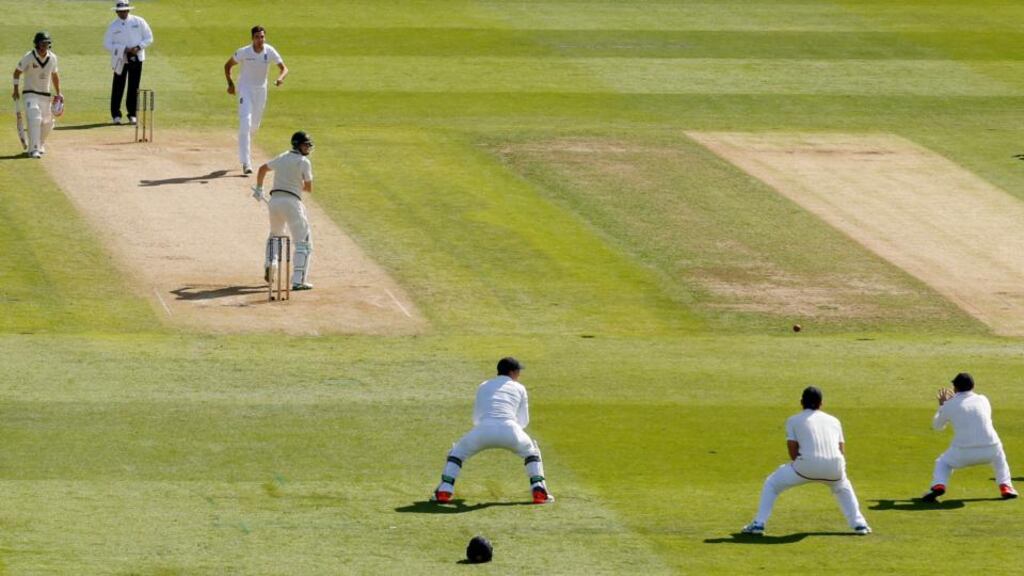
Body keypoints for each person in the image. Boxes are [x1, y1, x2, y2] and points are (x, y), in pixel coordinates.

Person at [741, 386, 870, 535]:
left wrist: (802, 467)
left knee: (772, 483)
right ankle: (859, 524)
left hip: (805, 466)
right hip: (836, 466)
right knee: (843, 486)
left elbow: (792, 449)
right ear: (821, 403)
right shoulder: (834, 421)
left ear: (801, 402)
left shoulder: (793, 420)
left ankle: (758, 524)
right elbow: (841, 450)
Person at [431, 357, 554, 505]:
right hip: (511, 430)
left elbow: (476, 417)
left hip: (482, 430)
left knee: (457, 453)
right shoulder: (520, 388)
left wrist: (485, 429)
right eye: (518, 371)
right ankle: (538, 489)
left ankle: (446, 488)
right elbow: (523, 421)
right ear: (512, 372)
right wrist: (512, 433)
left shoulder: (483, 385)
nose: (519, 374)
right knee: (532, 452)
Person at [921, 372, 1018, 501]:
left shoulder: (949, 404)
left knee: (943, 462)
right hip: (990, 448)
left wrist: (942, 406)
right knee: (999, 457)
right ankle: (1006, 486)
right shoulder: (983, 399)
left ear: (955, 388)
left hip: (963, 452)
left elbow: (937, 426)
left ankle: (939, 484)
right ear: (973, 385)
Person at [251, 131, 314, 291]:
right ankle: (298, 281)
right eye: (305, 144)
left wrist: (259, 189)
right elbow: (308, 188)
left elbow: (262, 169)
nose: (308, 147)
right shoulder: (304, 162)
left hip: (275, 202)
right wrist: (295, 182)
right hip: (292, 202)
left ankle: (271, 262)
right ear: (298, 145)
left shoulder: (283, 157)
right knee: (303, 243)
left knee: (275, 235)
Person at [224, 25, 288, 175]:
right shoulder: (244, 52)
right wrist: (230, 84)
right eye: (257, 37)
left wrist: (280, 78)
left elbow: (284, 68)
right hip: (245, 89)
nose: (260, 40)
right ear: (252, 38)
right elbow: (227, 66)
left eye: (262, 37)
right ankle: (246, 162)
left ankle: (244, 137)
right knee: (245, 122)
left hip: (261, 90)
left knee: (254, 126)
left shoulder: (269, 51)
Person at [12, 31, 62, 159]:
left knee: (48, 123)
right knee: (35, 118)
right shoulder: (29, 56)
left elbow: (55, 75)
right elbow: (17, 73)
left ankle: (39, 144)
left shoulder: (53, 58)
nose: (44, 47)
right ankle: (33, 149)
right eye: (42, 44)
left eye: (46, 44)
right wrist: (16, 89)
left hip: (45, 95)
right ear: (36, 44)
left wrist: (59, 93)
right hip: (30, 93)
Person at [103, 0, 153, 125]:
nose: (122, 13)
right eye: (119, 11)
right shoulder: (113, 26)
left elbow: (149, 37)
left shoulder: (138, 21)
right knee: (118, 86)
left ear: (128, 10)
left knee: (134, 86)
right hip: (120, 58)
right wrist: (123, 49)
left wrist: (138, 47)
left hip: (137, 57)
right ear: (116, 12)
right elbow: (107, 44)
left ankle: (132, 114)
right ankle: (116, 115)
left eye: (124, 11)